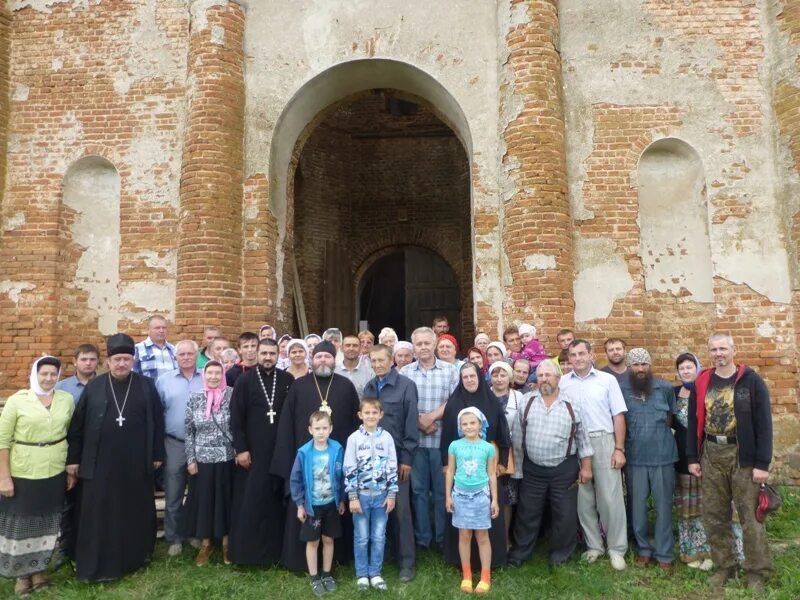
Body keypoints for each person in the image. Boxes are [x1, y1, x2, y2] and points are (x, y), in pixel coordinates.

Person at [66, 333, 165, 582]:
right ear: (108, 361)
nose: (122, 364)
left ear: (133, 361)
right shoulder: (95, 387)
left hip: (135, 461)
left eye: (126, 359)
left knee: (133, 509)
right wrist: (73, 460)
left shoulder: (146, 385)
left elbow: (158, 422)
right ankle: (99, 557)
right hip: (100, 462)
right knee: (100, 511)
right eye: (117, 359)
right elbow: (77, 427)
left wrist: (156, 454)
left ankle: (134, 556)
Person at [687, 332, 772, 593]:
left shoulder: (750, 381)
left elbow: (764, 423)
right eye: (713, 350)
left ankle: (757, 570)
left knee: (750, 516)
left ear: (734, 350)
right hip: (711, 452)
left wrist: (762, 463)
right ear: (708, 353)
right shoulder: (702, 382)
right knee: (714, 515)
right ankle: (726, 565)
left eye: (723, 348)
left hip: (741, 454)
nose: (718, 354)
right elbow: (693, 421)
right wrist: (693, 457)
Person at [271, 340, 360, 573]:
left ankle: (336, 559)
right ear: (312, 359)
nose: (323, 360)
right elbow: (287, 426)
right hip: (306, 463)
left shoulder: (346, 386)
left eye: (327, 357)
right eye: (319, 357)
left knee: (335, 511)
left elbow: (354, 426)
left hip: (336, 464)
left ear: (334, 359)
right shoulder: (299, 386)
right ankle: (302, 562)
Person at [507, 359, 593, 568]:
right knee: (528, 513)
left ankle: (560, 555)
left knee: (564, 514)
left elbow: (583, 439)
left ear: (557, 378)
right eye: (540, 376)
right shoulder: (527, 401)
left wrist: (587, 467)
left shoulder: (572, 404)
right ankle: (520, 553)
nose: (544, 379)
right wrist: (517, 470)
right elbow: (517, 440)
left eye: (548, 375)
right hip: (533, 469)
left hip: (564, 468)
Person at [0, 356, 75, 595]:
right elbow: (2, 440)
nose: (48, 378)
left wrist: (69, 469)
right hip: (23, 471)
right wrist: (4, 476)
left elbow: (71, 434)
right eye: (44, 373)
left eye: (53, 374)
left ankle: (40, 570)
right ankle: (22, 575)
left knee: (48, 522)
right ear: (35, 374)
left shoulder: (66, 399)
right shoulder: (18, 400)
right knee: (22, 524)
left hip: (54, 469)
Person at [559, 339, 628, 571]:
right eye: (573, 355)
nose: (577, 358)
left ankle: (617, 548)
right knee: (583, 498)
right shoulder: (563, 382)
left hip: (603, 440)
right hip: (575, 444)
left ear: (591, 355)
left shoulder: (607, 381)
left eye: (581, 353)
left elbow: (618, 415)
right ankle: (594, 546)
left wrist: (619, 448)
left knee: (610, 497)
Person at [672, 352, 743, 570]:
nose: (686, 371)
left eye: (689, 367)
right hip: (684, 456)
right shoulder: (673, 393)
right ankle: (693, 552)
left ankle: (718, 552)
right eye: (681, 368)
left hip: (708, 454)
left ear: (697, 367)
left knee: (713, 506)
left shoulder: (707, 389)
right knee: (689, 506)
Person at [228, 337, 293, 566]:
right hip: (252, 453)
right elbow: (236, 418)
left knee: (276, 500)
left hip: (279, 451)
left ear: (278, 355)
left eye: (272, 354)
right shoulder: (245, 381)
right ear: (257, 353)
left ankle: (275, 553)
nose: (267, 357)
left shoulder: (287, 379)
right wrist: (241, 449)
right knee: (252, 501)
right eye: (263, 353)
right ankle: (249, 555)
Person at [440, 363, 510, 568]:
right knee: (461, 520)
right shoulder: (453, 403)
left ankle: (491, 561)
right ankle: (461, 562)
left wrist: (503, 460)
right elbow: (446, 436)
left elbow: (503, 431)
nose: (469, 380)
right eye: (465, 377)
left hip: (487, 464)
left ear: (479, 377)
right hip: (461, 471)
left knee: (489, 512)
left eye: (472, 376)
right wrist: (446, 464)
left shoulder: (492, 401)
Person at [400, 327, 459, 551]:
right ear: (413, 347)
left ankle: (443, 538)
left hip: (441, 442)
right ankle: (423, 539)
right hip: (416, 443)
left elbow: (454, 400)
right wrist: (418, 421)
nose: (423, 347)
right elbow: (402, 404)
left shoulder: (450, 370)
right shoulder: (405, 372)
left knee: (443, 492)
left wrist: (431, 417)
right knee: (419, 492)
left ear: (434, 344)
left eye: (427, 343)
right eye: (419, 344)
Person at [363, 344, 419, 582]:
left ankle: (407, 562)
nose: (377, 365)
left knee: (401, 511)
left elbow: (410, 424)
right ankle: (383, 556)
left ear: (391, 361)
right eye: (373, 361)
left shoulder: (406, 386)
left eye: (381, 360)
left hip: (397, 459)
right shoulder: (369, 387)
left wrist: (406, 458)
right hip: (371, 459)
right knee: (376, 508)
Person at [619, 348, 678, 572]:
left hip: (663, 456)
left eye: (644, 364)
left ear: (650, 365)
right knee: (637, 506)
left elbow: (670, 419)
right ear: (630, 367)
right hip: (635, 458)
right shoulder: (621, 389)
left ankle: (664, 552)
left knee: (664, 506)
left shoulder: (664, 388)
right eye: (636, 365)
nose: (640, 369)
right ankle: (644, 549)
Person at [182, 361, 234, 566]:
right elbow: (188, 431)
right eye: (209, 373)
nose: (213, 377)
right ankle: (205, 543)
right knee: (205, 501)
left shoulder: (232, 394)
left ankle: (227, 543)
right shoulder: (195, 398)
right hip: (202, 459)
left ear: (223, 374)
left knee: (225, 500)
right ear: (204, 375)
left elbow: (238, 425)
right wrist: (191, 459)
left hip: (226, 458)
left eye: (217, 373)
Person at [344, 398, 398, 592]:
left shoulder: (387, 438)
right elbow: (349, 467)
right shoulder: (354, 439)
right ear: (360, 415)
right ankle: (362, 574)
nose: (371, 416)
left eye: (375, 413)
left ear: (381, 415)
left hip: (382, 497)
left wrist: (391, 494)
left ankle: (375, 573)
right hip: (362, 497)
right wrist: (352, 496)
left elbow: (392, 466)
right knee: (361, 537)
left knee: (379, 536)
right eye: (367, 413)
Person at [155, 340, 203, 556]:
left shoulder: (207, 378)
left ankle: (193, 533)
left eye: (189, 354)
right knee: (173, 492)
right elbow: (158, 413)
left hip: (201, 443)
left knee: (196, 493)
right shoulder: (164, 381)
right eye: (181, 354)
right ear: (176, 357)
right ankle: (174, 537)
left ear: (196, 355)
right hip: (174, 442)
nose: (185, 357)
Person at [290, 411, 345, 597]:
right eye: (317, 428)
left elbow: (342, 476)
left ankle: (327, 574)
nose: (321, 432)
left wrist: (342, 500)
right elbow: (295, 480)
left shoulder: (337, 449)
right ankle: (314, 576)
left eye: (324, 428)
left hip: (331, 504)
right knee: (313, 541)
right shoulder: (304, 453)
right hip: (312, 506)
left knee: (328, 539)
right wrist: (299, 504)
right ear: (310, 430)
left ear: (330, 429)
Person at [445, 407, 499, 594]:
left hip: (481, 496)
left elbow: (491, 474)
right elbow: (450, 471)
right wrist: (448, 496)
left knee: (482, 536)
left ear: (480, 424)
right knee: (464, 535)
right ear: (460, 426)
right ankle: (467, 575)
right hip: (460, 496)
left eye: (472, 423)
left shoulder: (488, 448)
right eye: (464, 424)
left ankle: (485, 576)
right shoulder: (454, 445)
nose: (468, 427)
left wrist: (494, 500)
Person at [488, 360, 524, 546]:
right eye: (495, 375)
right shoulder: (485, 396)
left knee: (508, 497)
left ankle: (505, 538)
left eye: (503, 375)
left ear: (510, 377)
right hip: (488, 452)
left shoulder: (518, 397)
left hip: (512, 452)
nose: (499, 379)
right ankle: (490, 538)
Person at [133, 315, 177, 381]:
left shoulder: (173, 350)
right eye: (157, 328)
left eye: (164, 328)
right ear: (148, 330)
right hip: (148, 391)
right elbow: (133, 375)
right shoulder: (138, 349)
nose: (161, 330)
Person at [335, 334, 375, 399]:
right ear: (341, 348)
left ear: (360, 348)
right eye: (348, 345)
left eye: (355, 346)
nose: (351, 348)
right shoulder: (334, 371)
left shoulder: (370, 372)